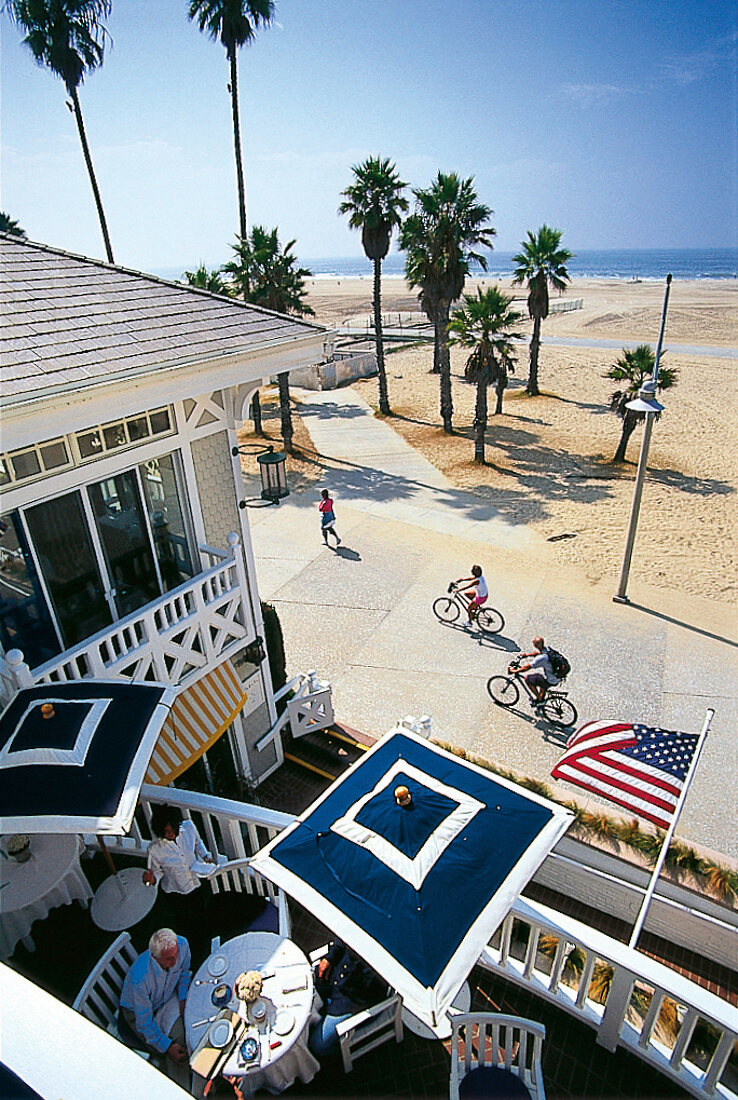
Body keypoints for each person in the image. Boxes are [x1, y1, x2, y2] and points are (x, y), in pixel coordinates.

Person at [119, 927, 192, 1090]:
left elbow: (184, 973)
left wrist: (182, 998)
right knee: (173, 1053)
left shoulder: (182, 944)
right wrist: (166, 1046)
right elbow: (144, 1023)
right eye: (168, 959)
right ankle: (182, 1090)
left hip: (166, 998)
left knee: (190, 1025)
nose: (174, 962)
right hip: (137, 1012)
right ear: (154, 957)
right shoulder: (141, 979)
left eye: (176, 955)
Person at [143, 804, 214, 949]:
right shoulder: (155, 849)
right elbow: (156, 872)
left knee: (200, 910)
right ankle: (191, 945)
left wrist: (205, 855)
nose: (170, 833)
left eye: (172, 829)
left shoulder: (188, 827)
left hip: (195, 881)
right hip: (176, 890)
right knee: (183, 919)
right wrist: (151, 879)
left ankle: (206, 937)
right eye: (166, 831)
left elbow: (197, 842)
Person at [309, 939, 387, 1057]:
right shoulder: (363, 922)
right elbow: (341, 940)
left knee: (317, 1045)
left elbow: (371, 988)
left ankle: (341, 1054)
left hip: (351, 1001)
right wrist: (329, 958)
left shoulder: (385, 953)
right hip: (332, 980)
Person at [513, 636, 559, 705]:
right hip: (558, 676)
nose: (532, 642)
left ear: (535, 645)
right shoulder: (547, 649)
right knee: (539, 678)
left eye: (533, 642)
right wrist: (527, 655)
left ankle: (539, 700)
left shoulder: (542, 659)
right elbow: (538, 653)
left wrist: (515, 671)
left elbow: (527, 667)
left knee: (528, 679)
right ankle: (542, 693)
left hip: (551, 680)